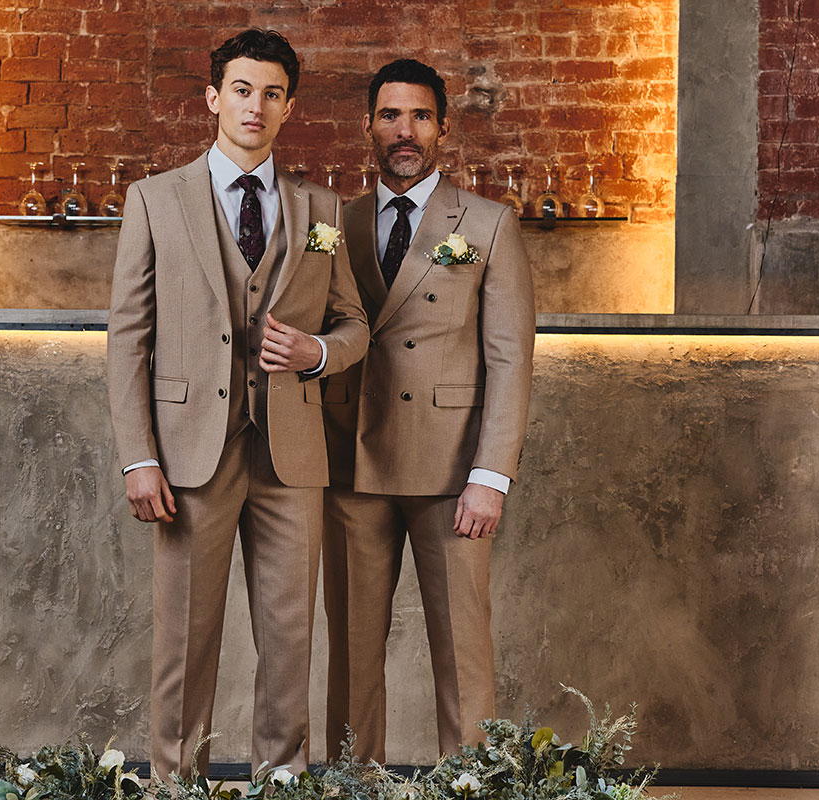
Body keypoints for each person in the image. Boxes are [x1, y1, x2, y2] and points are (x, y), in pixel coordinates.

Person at [107, 28, 368, 779]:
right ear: (214, 98)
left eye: (274, 93)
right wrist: (139, 456)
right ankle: (173, 786)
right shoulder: (156, 200)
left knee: (289, 638)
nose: (257, 106)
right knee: (185, 638)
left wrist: (317, 353)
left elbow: (354, 324)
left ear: (290, 107)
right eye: (243, 90)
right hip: (191, 452)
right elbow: (128, 338)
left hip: (291, 453)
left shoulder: (321, 206)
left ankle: (280, 785)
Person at [321, 58, 535, 762]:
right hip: (352, 462)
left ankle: (472, 782)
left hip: (452, 474)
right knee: (351, 652)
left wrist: (491, 476)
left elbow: (509, 362)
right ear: (368, 127)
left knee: (464, 652)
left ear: (442, 128)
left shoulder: (488, 224)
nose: (403, 131)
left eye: (418, 116)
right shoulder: (336, 224)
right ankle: (355, 782)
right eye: (389, 115)